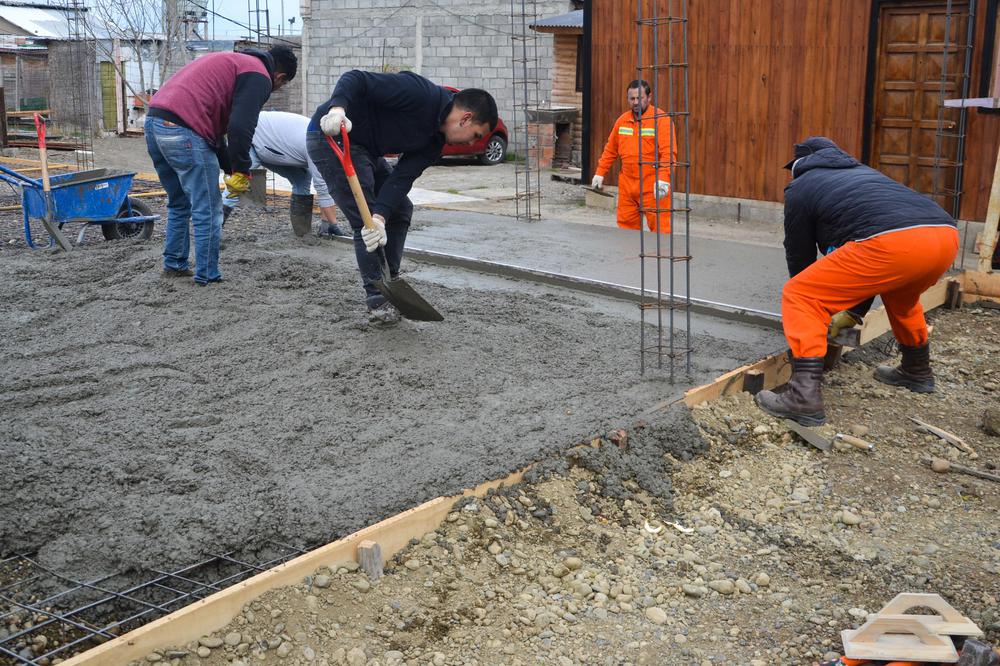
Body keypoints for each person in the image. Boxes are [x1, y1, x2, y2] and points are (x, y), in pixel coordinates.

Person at [755, 136, 959, 426]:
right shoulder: (864, 175)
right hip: (944, 236)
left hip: (891, 243)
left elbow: (799, 250)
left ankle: (802, 397)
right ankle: (917, 371)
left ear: (799, 164)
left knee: (801, 294)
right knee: (901, 298)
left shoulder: (801, 186)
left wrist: (816, 309)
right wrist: (852, 311)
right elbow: (865, 271)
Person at [306, 70, 498, 324]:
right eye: (476, 135)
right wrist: (338, 109)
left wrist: (381, 217)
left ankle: (389, 280)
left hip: (367, 149)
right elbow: (356, 79)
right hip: (330, 137)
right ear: (466, 118)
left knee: (398, 211)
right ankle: (378, 299)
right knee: (364, 221)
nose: (472, 143)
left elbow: (401, 179)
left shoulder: (434, 144)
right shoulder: (420, 93)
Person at [145, 45, 297, 285]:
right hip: (185, 131)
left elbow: (215, 133)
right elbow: (240, 127)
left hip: (155, 123)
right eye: (281, 85)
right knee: (207, 209)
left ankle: (174, 264)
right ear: (280, 77)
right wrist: (242, 169)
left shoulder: (233, 63)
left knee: (179, 202)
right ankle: (207, 275)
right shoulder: (259, 75)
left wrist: (230, 167)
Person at [221, 110, 348, 237]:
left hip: (278, 145)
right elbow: (322, 187)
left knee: (302, 178)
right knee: (238, 182)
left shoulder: (329, 141)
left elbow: (327, 184)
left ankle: (302, 234)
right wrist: (333, 224)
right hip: (251, 136)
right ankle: (215, 227)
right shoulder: (319, 146)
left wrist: (327, 223)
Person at [590, 79, 676, 233]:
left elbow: (668, 153)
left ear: (649, 98)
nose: (635, 102)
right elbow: (610, 150)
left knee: (661, 231)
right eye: (632, 98)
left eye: (639, 98)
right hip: (627, 187)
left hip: (652, 186)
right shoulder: (622, 121)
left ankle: (660, 251)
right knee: (626, 231)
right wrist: (600, 173)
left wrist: (663, 179)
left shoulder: (661, 120)